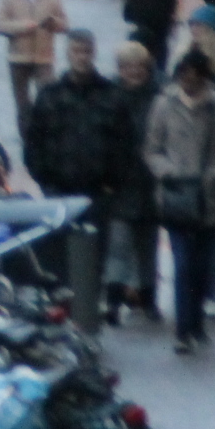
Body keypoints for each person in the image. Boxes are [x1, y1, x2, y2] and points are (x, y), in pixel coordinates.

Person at [143, 48, 215, 354]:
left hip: (209, 201)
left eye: (195, 78)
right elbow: (152, 149)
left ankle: (196, 322)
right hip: (175, 198)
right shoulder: (163, 106)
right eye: (184, 77)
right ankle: (183, 330)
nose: (188, 83)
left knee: (202, 267)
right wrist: (167, 172)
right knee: (183, 264)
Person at [23, 31, 130, 308]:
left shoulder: (111, 96)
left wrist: (112, 184)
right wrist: (44, 179)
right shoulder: (50, 96)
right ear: (67, 54)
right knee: (57, 258)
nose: (81, 57)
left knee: (93, 260)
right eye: (76, 51)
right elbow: (34, 141)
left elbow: (125, 144)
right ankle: (64, 314)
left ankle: (88, 316)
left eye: (85, 51)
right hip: (58, 192)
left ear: (93, 54)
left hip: (97, 193)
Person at [103, 41, 163, 323]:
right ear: (120, 69)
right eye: (128, 67)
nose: (134, 72)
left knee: (147, 246)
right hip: (121, 181)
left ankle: (148, 299)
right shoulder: (110, 97)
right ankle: (114, 302)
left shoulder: (158, 97)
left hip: (149, 181)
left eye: (139, 67)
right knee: (119, 246)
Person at [0, 0, 68, 124]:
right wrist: (22, 26)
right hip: (18, 58)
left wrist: (54, 23)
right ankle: (27, 140)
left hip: (44, 57)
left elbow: (64, 24)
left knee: (48, 101)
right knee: (23, 106)